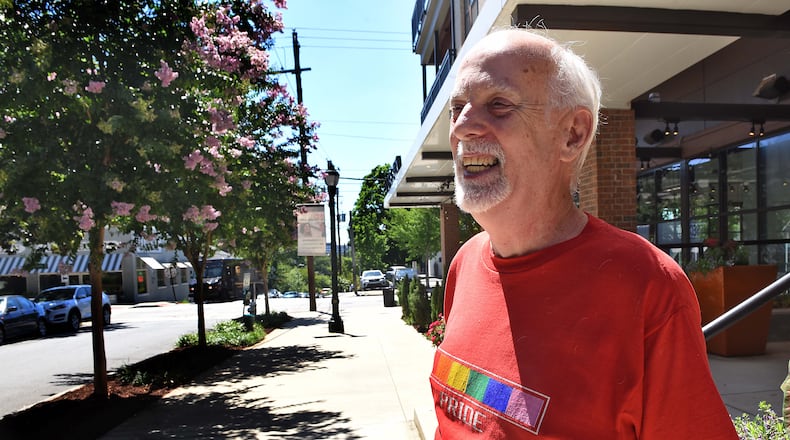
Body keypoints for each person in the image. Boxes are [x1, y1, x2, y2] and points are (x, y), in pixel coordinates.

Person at [430, 28, 738, 439]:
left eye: (498, 104)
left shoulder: (647, 286)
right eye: (458, 108)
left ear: (572, 134)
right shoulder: (464, 265)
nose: (463, 127)